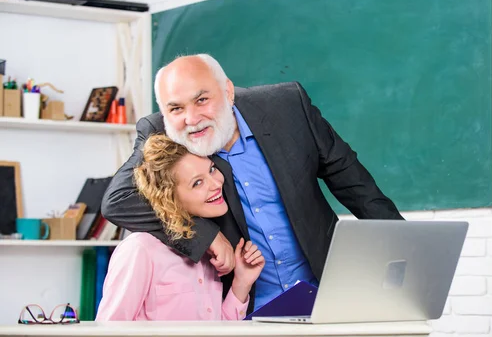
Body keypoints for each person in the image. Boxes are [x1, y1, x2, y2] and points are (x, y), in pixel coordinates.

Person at [102, 54, 404, 311]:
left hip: (324, 291)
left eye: (202, 100)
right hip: (243, 307)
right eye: (175, 108)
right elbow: (117, 201)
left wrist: (404, 250)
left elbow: (353, 182)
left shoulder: (288, 106)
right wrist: (205, 236)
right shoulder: (161, 131)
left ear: (228, 91)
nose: (191, 119)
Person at [96, 134, 264, 321]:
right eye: (197, 183)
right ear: (170, 198)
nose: (216, 183)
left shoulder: (209, 252)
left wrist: (241, 284)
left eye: (212, 169)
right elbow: (109, 328)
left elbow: (216, 330)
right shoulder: (139, 249)